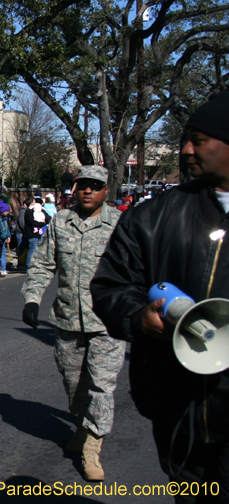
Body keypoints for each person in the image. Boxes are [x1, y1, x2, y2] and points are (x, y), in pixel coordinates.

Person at [91, 91, 229, 499]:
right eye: (185, 139)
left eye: (199, 140)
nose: (186, 150)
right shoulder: (152, 217)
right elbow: (111, 285)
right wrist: (138, 317)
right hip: (177, 409)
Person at [21, 165, 124, 482]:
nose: (88, 190)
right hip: (67, 319)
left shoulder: (120, 224)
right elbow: (43, 263)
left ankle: (92, 446)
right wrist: (32, 298)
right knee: (74, 384)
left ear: (106, 190)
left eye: (95, 185)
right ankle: (84, 425)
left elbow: (137, 269)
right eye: (83, 185)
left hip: (107, 322)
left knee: (101, 385)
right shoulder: (61, 221)